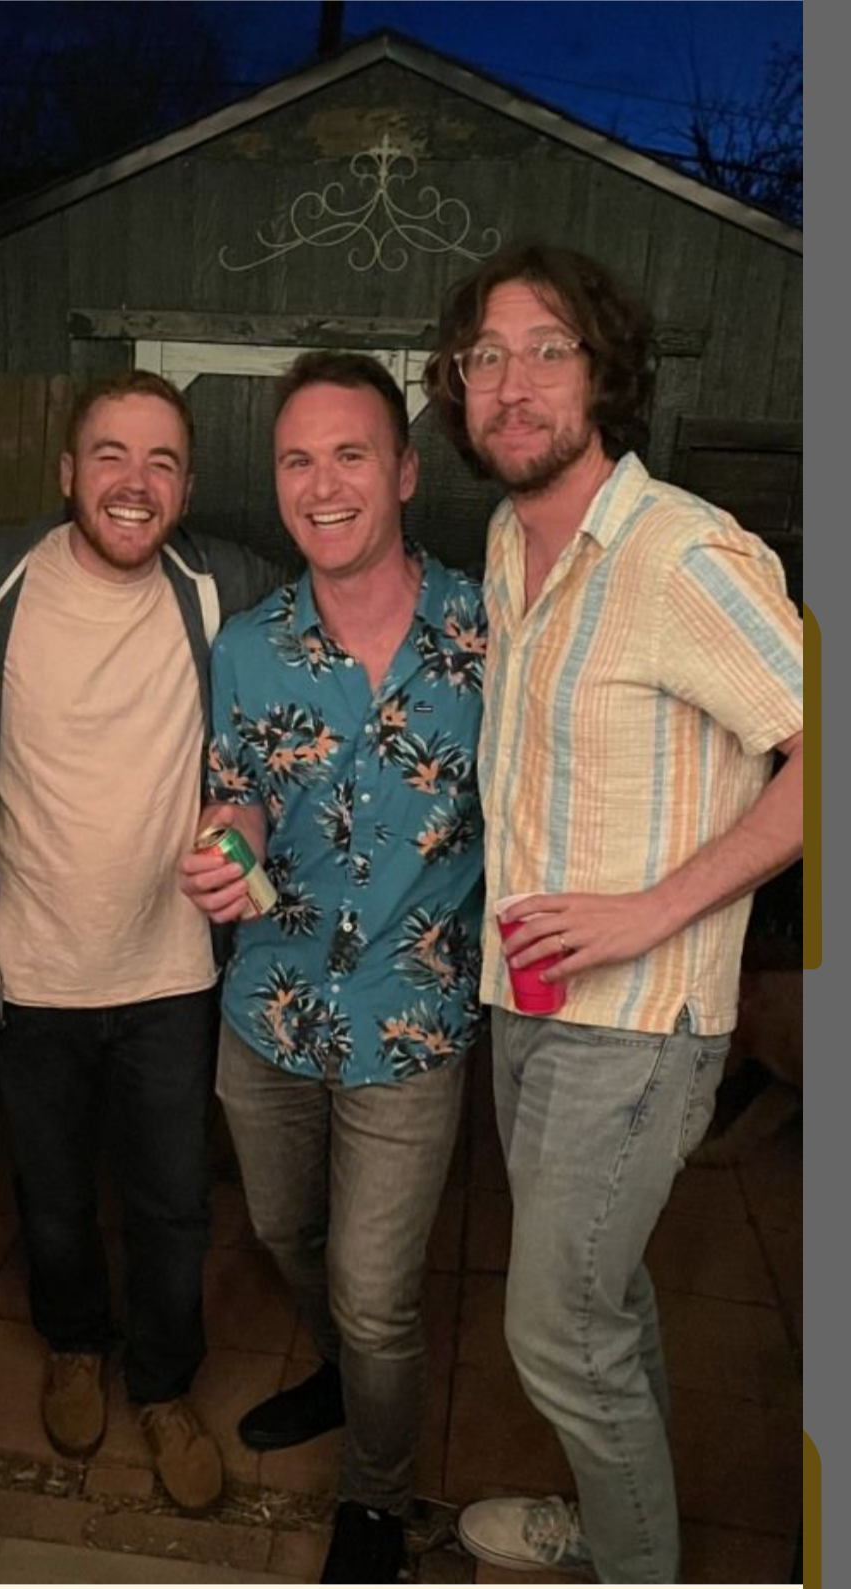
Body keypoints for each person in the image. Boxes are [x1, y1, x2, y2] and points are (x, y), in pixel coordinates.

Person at [422, 243, 803, 1584]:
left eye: (547, 349)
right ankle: (617, 1524)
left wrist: (656, 909)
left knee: (556, 1336)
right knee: (600, 1307)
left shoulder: (683, 551)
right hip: (524, 1010)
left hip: (636, 1029)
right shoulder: (513, 547)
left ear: (605, 373)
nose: (511, 383)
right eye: (485, 355)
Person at [178, 351, 487, 1583]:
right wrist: (227, 838)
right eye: (298, 458)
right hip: (268, 1014)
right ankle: (341, 1372)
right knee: (285, 1232)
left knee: (377, 1293)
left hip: (412, 1025)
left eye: (351, 452)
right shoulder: (250, 648)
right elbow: (238, 791)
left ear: (405, 469)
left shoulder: (488, 628)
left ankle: (375, 1494)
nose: (323, 482)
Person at [0, 371, 278, 1512]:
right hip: (32, 966)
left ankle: (164, 1382)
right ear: (66, 472)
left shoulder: (224, 587)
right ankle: (76, 1341)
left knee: (173, 1199)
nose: (134, 483)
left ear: (187, 485)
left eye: (163, 461)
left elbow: (339, 629)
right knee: (49, 1194)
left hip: (171, 971)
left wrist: (254, 817)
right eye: (110, 454)